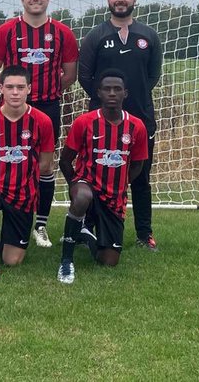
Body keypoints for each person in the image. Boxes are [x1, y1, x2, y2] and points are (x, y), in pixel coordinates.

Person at [0, 0, 78, 248]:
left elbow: (70, 74)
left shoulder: (62, 32)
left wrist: (43, 91)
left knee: (44, 167)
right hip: (11, 109)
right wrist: (13, 94)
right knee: (4, 162)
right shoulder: (6, 31)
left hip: (47, 107)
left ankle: (41, 225)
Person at [77, 0, 162, 251]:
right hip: (101, 120)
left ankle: (144, 233)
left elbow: (152, 76)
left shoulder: (148, 36)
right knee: (94, 175)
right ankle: (86, 228)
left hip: (140, 118)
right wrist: (108, 103)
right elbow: (85, 77)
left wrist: (131, 104)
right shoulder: (95, 36)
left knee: (140, 176)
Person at [56, 69, 149, 284]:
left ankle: (85, 233)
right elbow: (64, 160)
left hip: (114, 197)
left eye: (117, 89)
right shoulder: (84, 122)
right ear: (98, 93)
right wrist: (74, 185)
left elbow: (138, 165)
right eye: (107, 89)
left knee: (109, 260)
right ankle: (66, 261)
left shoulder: (137, 127)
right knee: (81, 198)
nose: (112, 93)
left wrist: (122, 183)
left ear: (126, 93)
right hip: (86, 185)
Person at [0, 66, 55, 281]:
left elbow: (45, 163)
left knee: (12, 260)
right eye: (10, 87)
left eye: (20, 87)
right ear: (1, 89)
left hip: (24, 195)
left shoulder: (42, 121)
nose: (15, 92)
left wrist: (22, 178)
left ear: (29, 89)